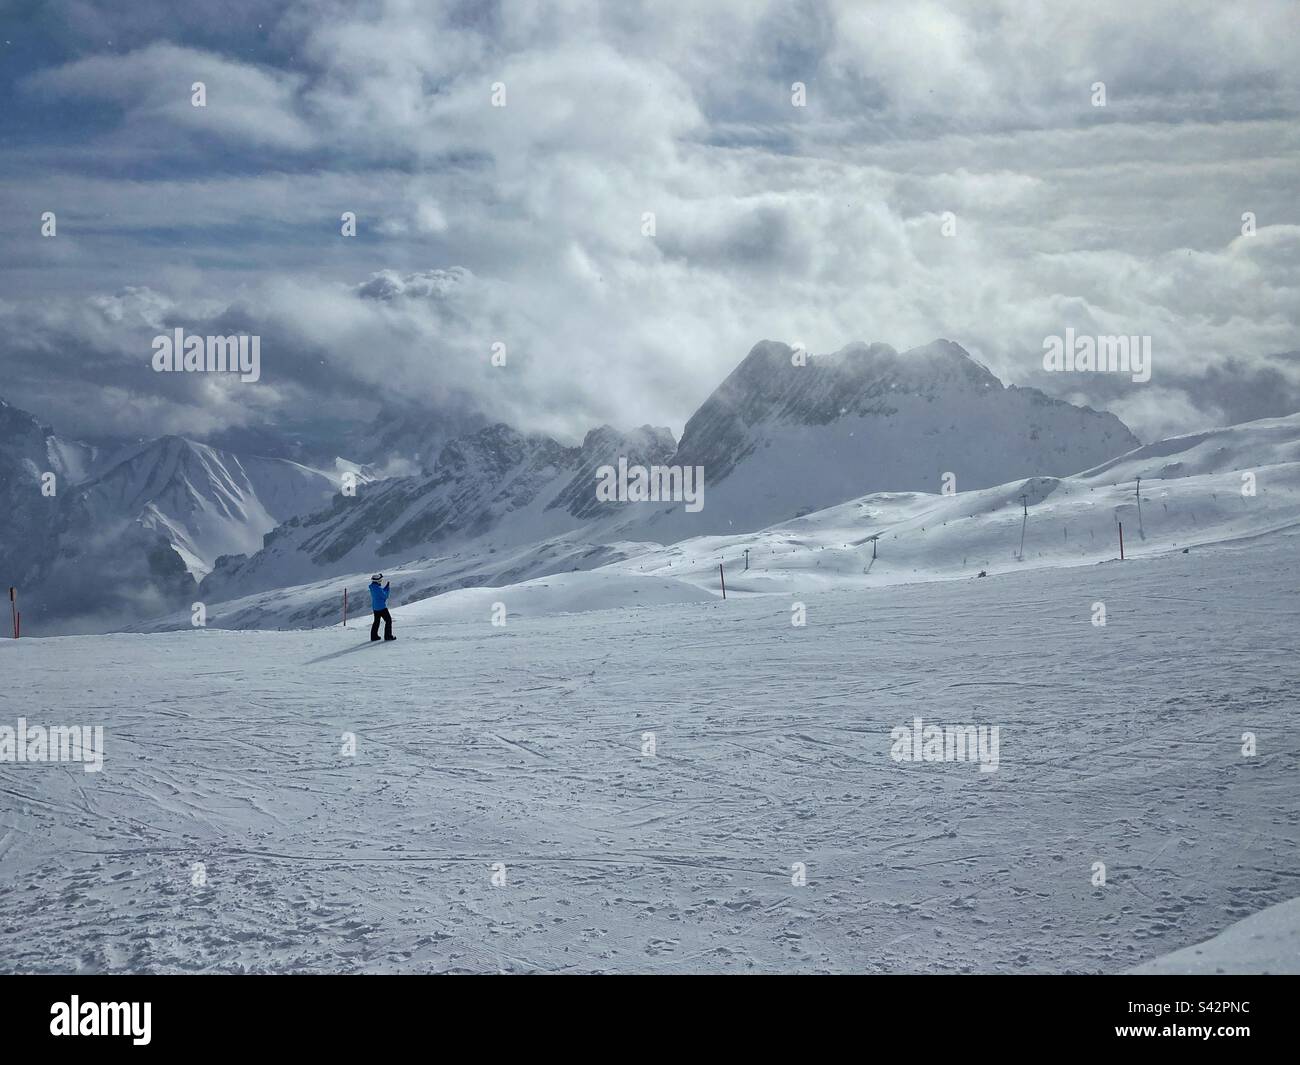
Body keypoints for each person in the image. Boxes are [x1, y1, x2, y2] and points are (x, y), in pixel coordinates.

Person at [368, 573, 395, 641]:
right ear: (377, 581)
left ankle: (374, 637)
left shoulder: (373, 587)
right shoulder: (378, 588)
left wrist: (384, 588)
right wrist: (387, 588)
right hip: (381, 607)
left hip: (375, 607)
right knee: (388, 620)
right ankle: (388, 636)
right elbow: (385, 596)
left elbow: (380, 593)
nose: (381, 581)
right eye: (380, 580)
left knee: (376, 622)